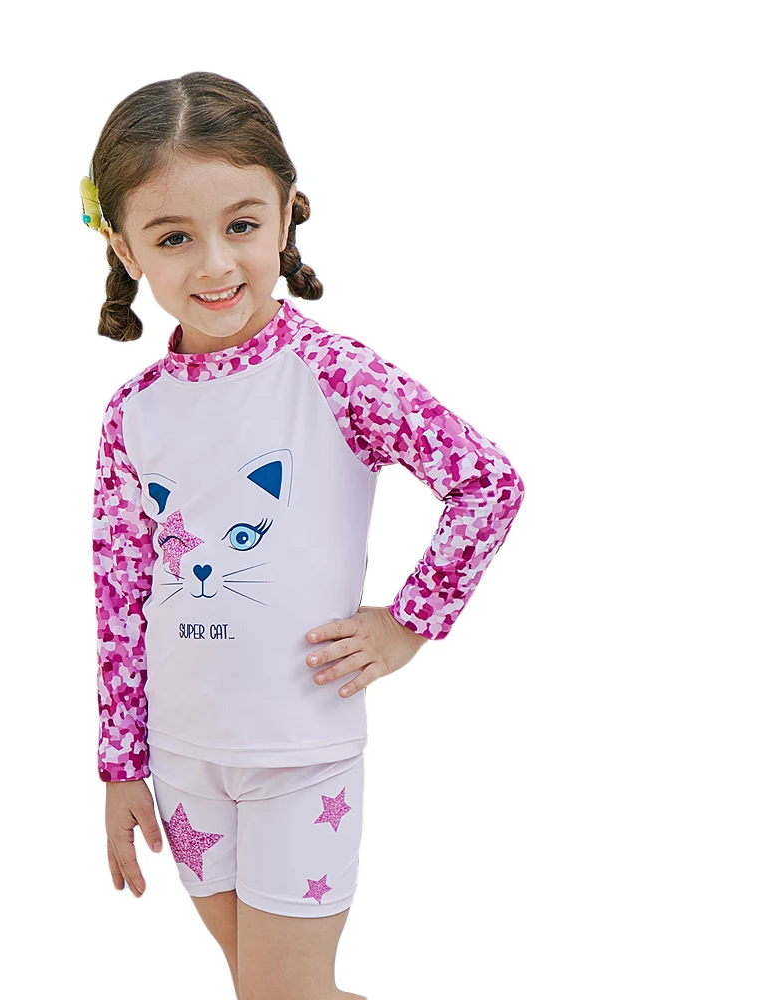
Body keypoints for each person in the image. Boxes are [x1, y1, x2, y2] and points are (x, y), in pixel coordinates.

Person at [83, 71, 525, 1000]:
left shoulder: (335, 375)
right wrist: (121, 764)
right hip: (183, 759)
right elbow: (118, 595)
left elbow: (487, 483)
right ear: (125, 246)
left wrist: (408, 623)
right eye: (174, 237)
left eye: (242, 224)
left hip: (299, 756)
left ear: (286, 214)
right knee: (272, 994)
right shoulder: (132, 414)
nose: (215, 265)